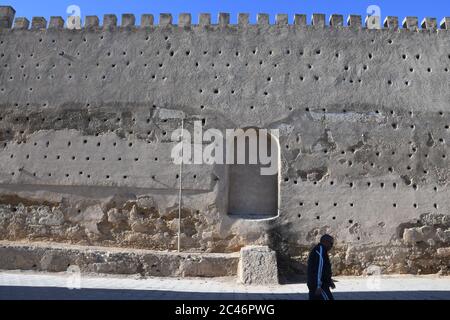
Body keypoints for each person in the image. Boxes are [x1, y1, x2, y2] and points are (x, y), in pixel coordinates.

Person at [307, 234, 336, 300]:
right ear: (325, 242)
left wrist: (330, 281)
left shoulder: (322, 250)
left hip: (319, 284)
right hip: (319, 286)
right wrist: (318, 286)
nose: (331, 246)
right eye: (331, 243)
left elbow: (324, 270)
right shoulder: (320, 251)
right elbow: (318, 269)